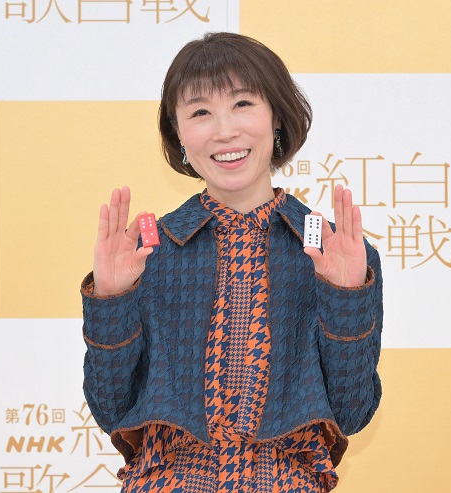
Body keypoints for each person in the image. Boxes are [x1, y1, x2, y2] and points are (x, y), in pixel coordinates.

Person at [81, 32, 383, 493]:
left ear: (277, 116)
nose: (224, 131)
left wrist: (344, 297)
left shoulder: (332, 250)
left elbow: (352, 412)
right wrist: (111, 299)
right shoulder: (146, 251)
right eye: (200, 112)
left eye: (243, 104)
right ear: (179, 134)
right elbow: (110, 410)